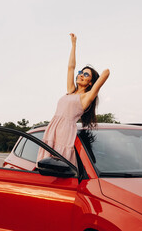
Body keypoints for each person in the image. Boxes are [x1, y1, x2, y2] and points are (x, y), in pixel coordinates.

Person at [36, 33, 110, 167]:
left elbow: (106, 72)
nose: (81, 75)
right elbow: (71, 67)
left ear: (90, 82)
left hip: (65, 133)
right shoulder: (70, 91)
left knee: (58, 166)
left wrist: (95, 84)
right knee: (45, 165)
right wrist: (74, 44)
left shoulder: (86, 97)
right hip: (52, 129)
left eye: (86, 74)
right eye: (81, 72)